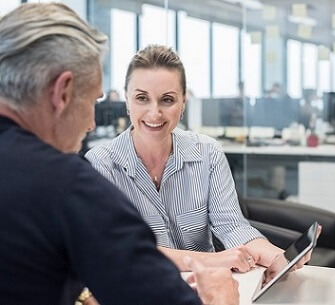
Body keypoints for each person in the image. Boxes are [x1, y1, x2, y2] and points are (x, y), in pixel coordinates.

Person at [0, 3, 238, 305]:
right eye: (92, 100)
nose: (91, 123)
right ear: (62, 92)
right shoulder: (71, 187)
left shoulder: (206, 152)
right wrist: (221, 298)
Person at [86, 45, 318, 272]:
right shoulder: (102, 164)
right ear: (127, 101)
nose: (154, 113)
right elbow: (122, 250)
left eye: (167, 100)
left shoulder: (208, 153)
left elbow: (232, 226)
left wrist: (277, 257)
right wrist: (210, 261)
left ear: (183, 103)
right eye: (141, 98)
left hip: (211, 290)